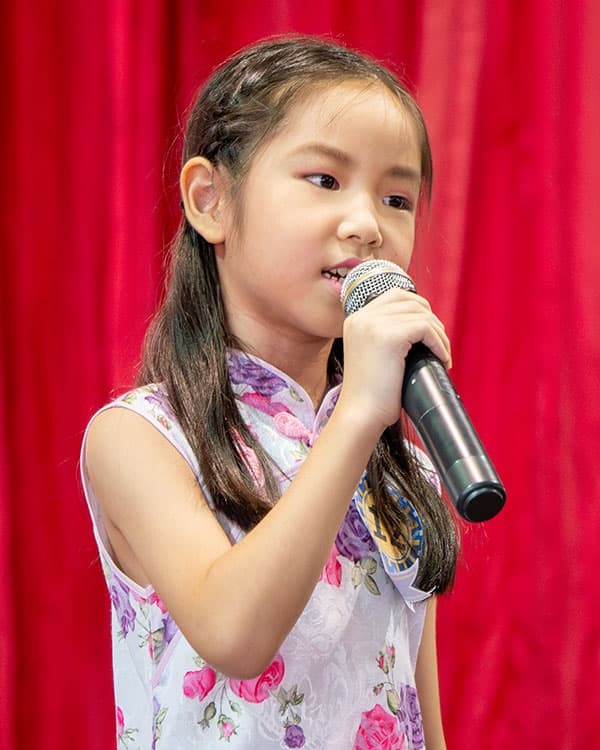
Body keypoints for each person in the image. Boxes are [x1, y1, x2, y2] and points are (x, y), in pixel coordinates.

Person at [81, 35, 460, 750]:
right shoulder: (140, 436)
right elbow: (234, 634)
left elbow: (418, 715)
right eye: (324, 180)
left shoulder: (401, 467)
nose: (366, 225)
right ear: (211, 200)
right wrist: (356, 419)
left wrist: (365, 424)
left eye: (397, 197)